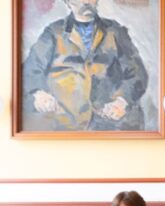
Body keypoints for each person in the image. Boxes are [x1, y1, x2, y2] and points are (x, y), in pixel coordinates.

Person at [21, 0, 150, 131]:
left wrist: (122, 101)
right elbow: (30, 68)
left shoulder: (115, 31)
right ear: (68, 2)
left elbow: (137, 73)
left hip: (109, 123)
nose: (86, 2)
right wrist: (38, 93)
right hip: (64, 122)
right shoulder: (53, 32)